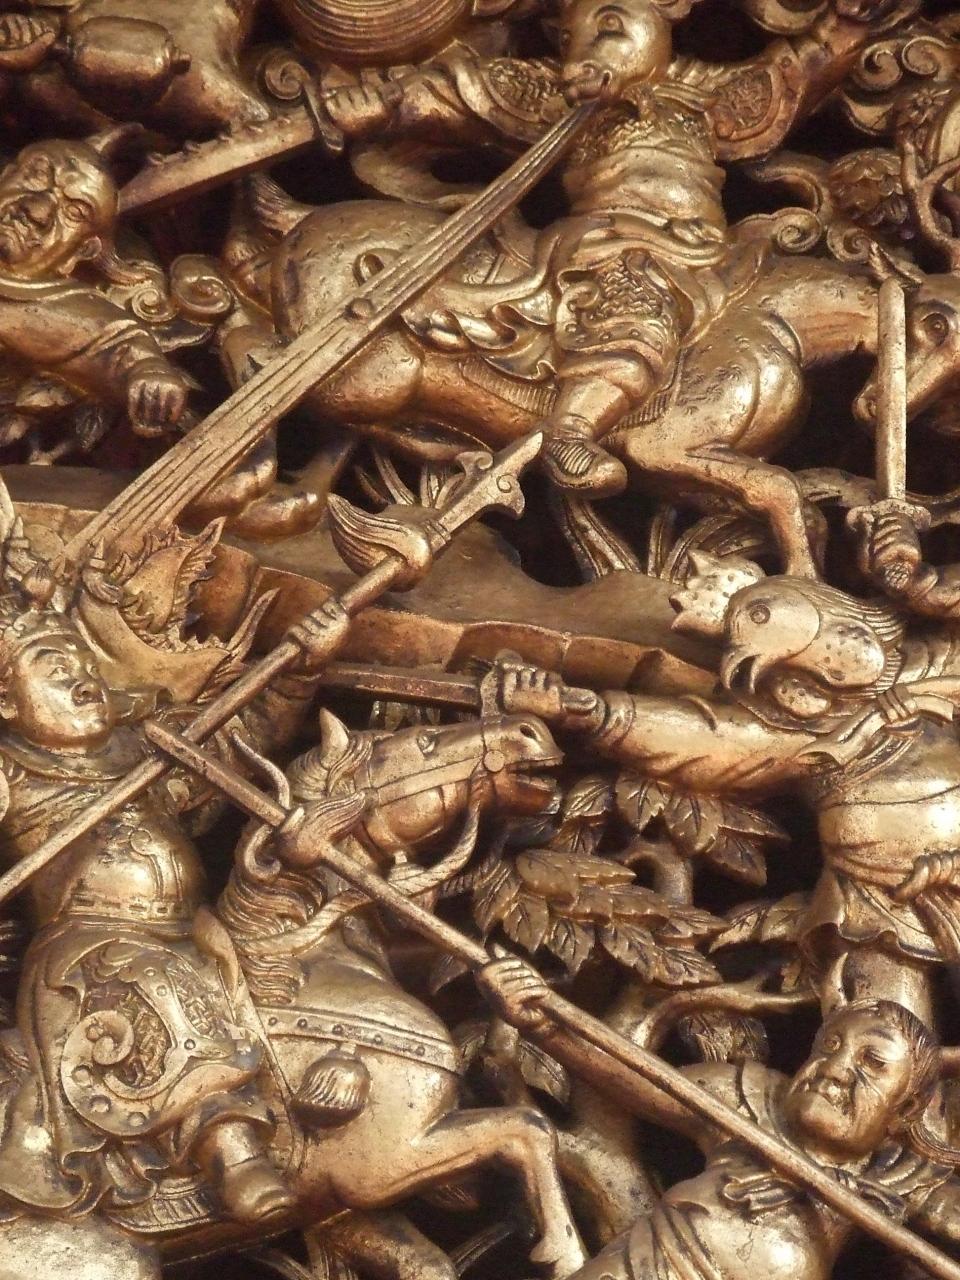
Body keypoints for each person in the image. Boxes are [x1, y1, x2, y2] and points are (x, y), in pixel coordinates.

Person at [479, 956, 960, 1280]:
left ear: (905, 1111)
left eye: (872, 1063)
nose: (834, 1069)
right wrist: (540, 1023)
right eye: (829, 1045)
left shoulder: (902, 1178)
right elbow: (634, 1078)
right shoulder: (753, 1099)